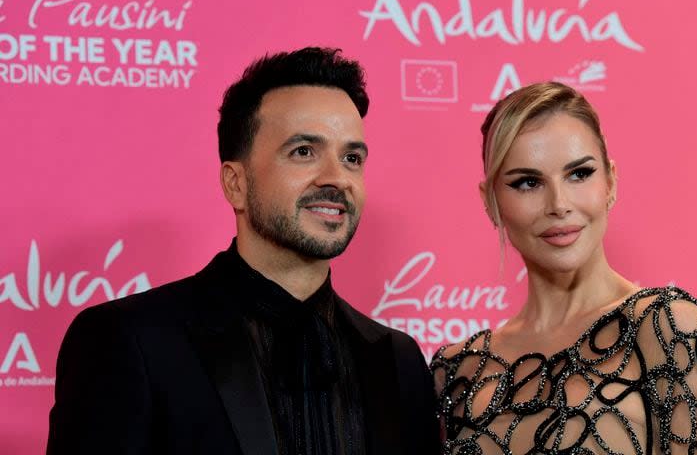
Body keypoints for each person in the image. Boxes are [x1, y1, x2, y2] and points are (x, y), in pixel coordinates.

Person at [47, 47, 439, 455]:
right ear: (236, 183)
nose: (337, 178)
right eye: (303, 152)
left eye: (352, 158)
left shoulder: (398, 361)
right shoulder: (131, 341)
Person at [430, 82, 697, 454]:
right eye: (528, 182)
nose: (559, 204)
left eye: (579, 174)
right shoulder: (457, 370)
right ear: (491, 201)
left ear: (610, 181)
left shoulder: (665, 327)